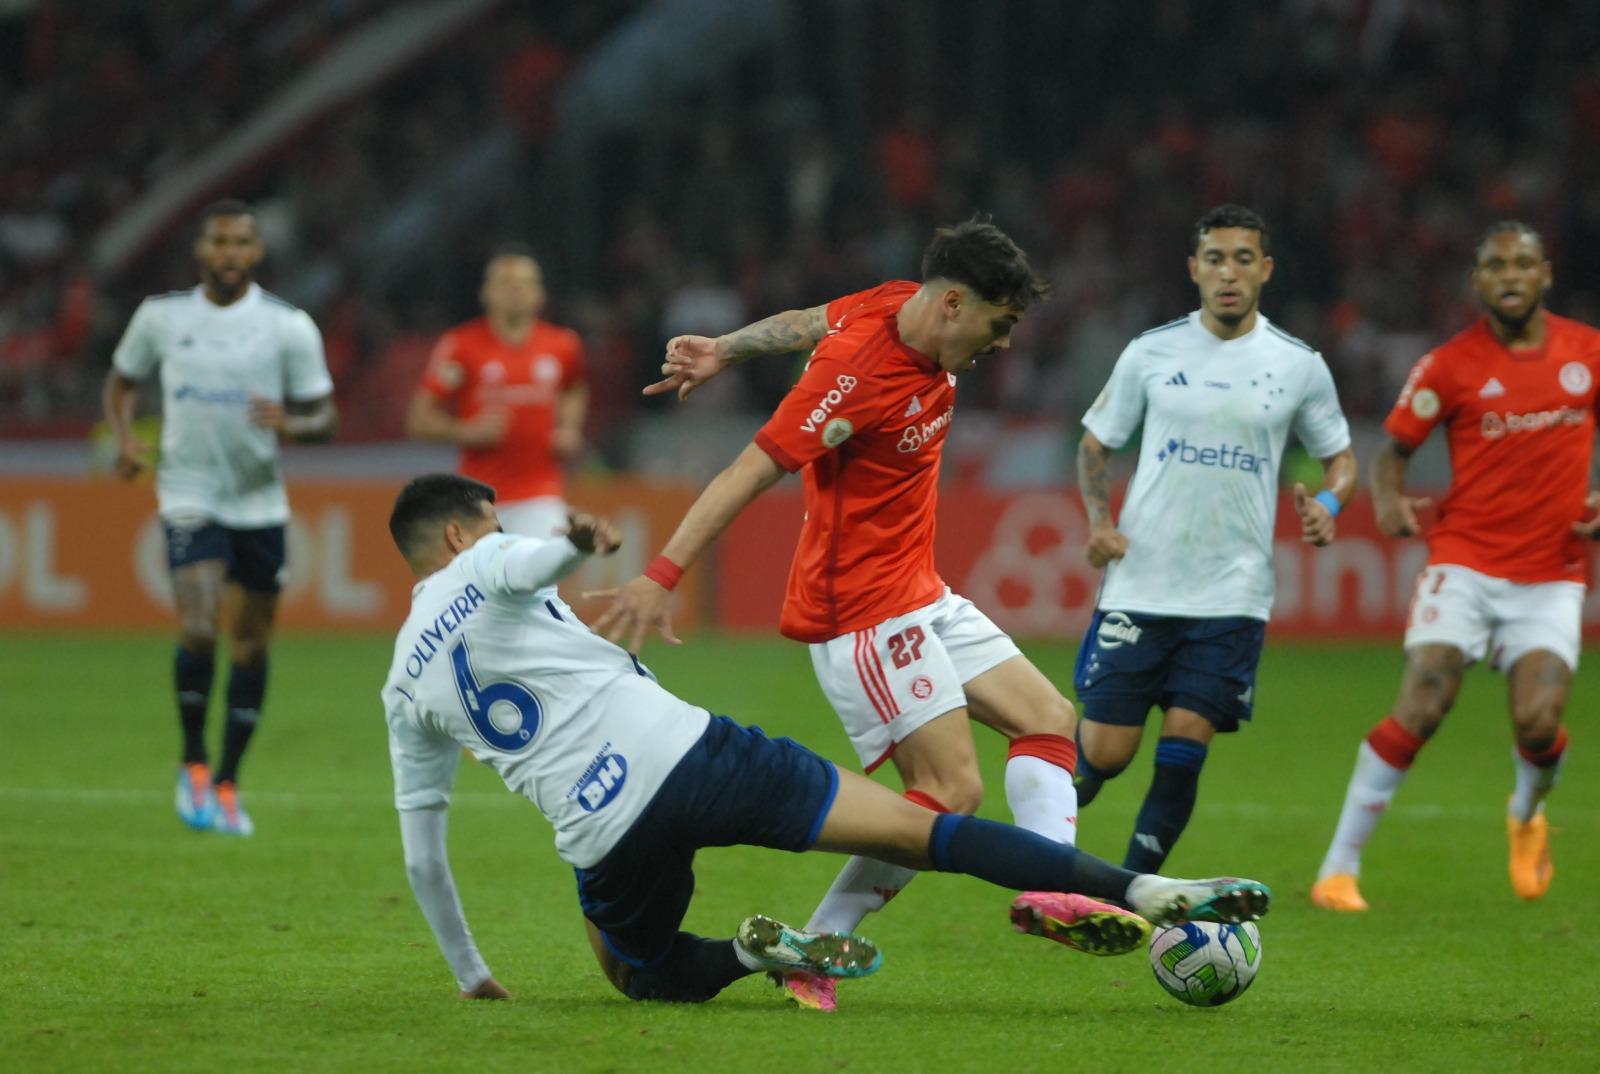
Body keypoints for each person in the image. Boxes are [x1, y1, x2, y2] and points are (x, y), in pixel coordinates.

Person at [380, 473, 1271, 1002]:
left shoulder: (400, 684)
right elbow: (530, 560)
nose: (500, 535)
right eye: (492, 524)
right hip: (698, 755)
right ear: (461, 534)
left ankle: (751, 954)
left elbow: (424, 859)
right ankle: (1143, 890)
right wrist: (570, 543)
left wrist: (470, 973)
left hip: (603, 831)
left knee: (631, 971)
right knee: (933, 829)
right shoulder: (491, 560)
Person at [590, 217, 1135, 1014]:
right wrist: (660, 574)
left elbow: (809, 318)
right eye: (1000, 323)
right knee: (949, 795)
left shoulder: (888, 304)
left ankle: (1051, 886)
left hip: (919, 590)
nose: (1004, 344)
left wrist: (725, 348)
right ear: (953, 303)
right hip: (863, 613)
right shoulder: (854, 375)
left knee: (1049, 718)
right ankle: (814, 954)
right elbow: (749, 470)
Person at [1311, 221, 1600, 910]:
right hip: (1465, 560)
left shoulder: (1586, 353)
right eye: (1495, 266)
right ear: (1476, 281)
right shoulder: (1449, 365)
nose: (1509, 276)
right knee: (1426, 695)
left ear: (1544, 274)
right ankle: (1337, 868)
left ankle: (1527, 813)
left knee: (1537, 723)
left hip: (1552, 571)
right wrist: (1385, 502)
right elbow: (1391, 451)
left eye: (1522, 264)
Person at [1070, 204, 1356, 877]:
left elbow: (1341, 456)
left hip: (1232, 593)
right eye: (1217, 259)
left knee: (1185, 742)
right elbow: (1095, 444)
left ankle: (1130, 892)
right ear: (1195, 269)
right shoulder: (1151, 351)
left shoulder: (1298, 365)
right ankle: (1035, 859)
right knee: (1106, 752)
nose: (1230, 273)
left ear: (1266, 271)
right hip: (1142, 583)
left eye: (1244, 259)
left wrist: (1332, 502)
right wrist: (1097, 523)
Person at [102, 198, 338, 837]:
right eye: (219, 242)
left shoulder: (288, 327)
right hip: (188, 490)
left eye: (241, 243)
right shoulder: (161, 317)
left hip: (259, 502)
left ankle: (230, 781)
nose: (230, 253)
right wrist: (124, 439)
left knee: (253, 642)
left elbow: (325, 417)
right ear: (201, 250)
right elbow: (121, 381)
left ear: (256, 252)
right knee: (201, 626)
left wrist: (294, 422)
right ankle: (193, 762)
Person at [406, 246, 588, 539]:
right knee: (482, 585)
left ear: (539, 295)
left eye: (523, 284)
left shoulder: (563, 346)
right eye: (504, 283)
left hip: (539, 494)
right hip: (477, 498)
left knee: (537, 577)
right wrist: (467, 432)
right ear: (485, 294)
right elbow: (419, 421)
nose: (514, 291)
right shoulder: (460, 346)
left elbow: (575, 388)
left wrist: (568, 428)